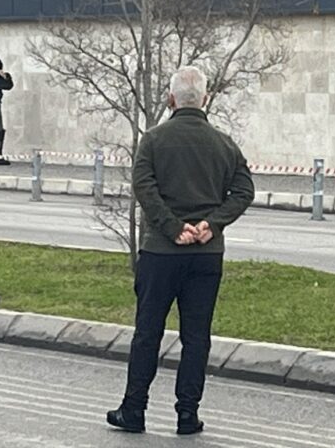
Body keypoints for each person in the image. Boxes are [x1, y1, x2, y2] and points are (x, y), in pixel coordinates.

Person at [107, 66, 255, 436]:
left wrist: (173, 228)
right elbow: (244, 191)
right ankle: (187, 414)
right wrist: (212, 224)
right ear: (205, 99)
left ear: (170, 99)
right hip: (206, 254)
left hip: (160, 253)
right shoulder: (224, 144)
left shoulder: (153, 140)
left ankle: (134, 409)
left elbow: (144, 187)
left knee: (148, 332)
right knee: (196, 336)